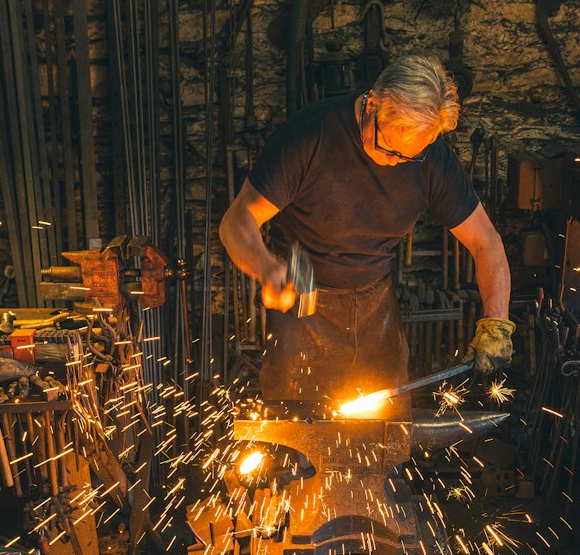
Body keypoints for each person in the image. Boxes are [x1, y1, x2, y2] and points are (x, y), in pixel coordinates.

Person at [218, 54, 512, 406]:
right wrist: (266, 268)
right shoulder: (310, 135)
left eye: (409, 157)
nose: (396, 162)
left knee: (383, 430)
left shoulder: (432, 159)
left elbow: (486, 242)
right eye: (389, 149)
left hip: (377, 305)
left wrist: (496, 321)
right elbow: (237, 222)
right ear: (372, 105)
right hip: (303, 306)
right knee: (298, 428)